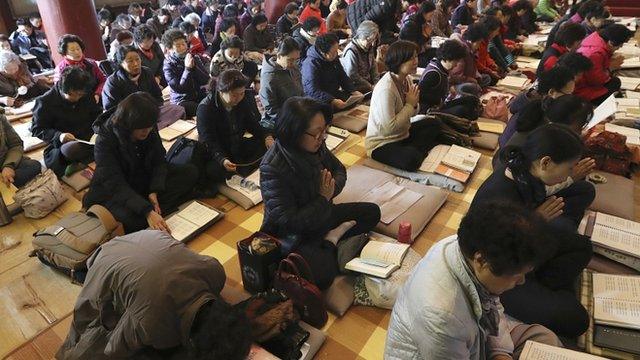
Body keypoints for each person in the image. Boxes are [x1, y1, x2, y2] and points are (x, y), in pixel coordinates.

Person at [385, 201, 562, 359]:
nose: (521, 281)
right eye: (516, 275)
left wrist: (500, 352)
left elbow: (491, 306)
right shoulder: (441, 317)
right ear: (481, 261)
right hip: (449, 346)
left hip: (474, 339)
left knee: (544, 338)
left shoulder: (465, 245)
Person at [472, 124, 595, 337]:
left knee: (582, 245)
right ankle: (542, 292)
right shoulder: (500, 194)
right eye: (569, 168)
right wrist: (534, 221)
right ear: (546, 162)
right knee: (577, 320)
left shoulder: (524, 172)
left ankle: (542, 289)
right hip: (499, 272)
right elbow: (491, 256)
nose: (571, 173)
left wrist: (533, 221)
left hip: (525, 250)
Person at [56, 230, 252, 360]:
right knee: (94, 337)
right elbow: (113, 348)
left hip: (146, 237)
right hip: (104, 260)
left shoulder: (215, 274)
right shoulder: (156, 328)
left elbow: (203, 262)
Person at [260, 96, 381, 289]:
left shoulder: (316, 145)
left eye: (324, 131)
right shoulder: (272, 167)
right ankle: (333, 241)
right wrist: (323, 198)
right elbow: (288, 221)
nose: (322, 137)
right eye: (317, 133)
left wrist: (329, 192)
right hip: (293, 233)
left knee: (373, 212)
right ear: (295, 132)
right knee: (321, 277)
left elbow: (339, 170)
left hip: (322, 212)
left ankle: (331, 240)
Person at [84, 92, 198, 234]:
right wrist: (146, 211)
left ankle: (154, 209)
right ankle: (153, 211)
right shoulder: (105, 139)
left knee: (190, 172)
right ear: (129, 123)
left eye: (150, 127)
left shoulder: (148, 126)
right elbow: (114, 183)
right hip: (117, 189)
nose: (148, 131)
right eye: (143, 128)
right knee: (130, 221)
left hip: (144, 180)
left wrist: (154, 189)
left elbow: (159, 160)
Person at [366, 40, 444, 171]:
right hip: (382, 142)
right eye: (411, 58)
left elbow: (412, 114)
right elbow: (389, 128)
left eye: (416, 57)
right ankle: (415, 151)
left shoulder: (406, 79)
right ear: (399, 61)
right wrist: (409, 104)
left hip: (403, 133)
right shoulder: (386, 89)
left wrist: (413, 105)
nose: (416, 61)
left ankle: (415, 150)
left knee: (434, 123)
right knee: (411, 160)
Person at [197, 70, 269, 184]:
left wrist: (266, 136)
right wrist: (222, 159)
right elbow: (208, 140)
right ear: (221, 91)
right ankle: (241, 170)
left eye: (242, 93)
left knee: (267, 143)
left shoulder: (242, 100)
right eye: (234, 95)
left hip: (237, 145)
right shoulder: (206, 108)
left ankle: (241, 170)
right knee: (213, 171)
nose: (239, 98)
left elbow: (253, 124)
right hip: (221, 151)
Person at [31, 66, 102, 177]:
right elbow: (37, 129)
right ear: (64, 89)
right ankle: (87, 159)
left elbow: (97, 115)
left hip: (89, 137)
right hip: (64, 143)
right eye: (75, 94)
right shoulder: (45, 102)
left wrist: (98, 130)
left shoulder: (85, 93)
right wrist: (59, 136)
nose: (78, 98)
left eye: (81, 94)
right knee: (71, 150)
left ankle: (83, 161)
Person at [494, 93, 593, 168]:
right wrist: (570, 179)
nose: (579, 132)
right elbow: (537, 177)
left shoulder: (543, 119)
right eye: (578, 128)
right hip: (509, 171)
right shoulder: (542, 136)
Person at [500, 65, 579, 147]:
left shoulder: (532, 95)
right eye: (568, 94)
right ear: (551, 92)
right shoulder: (538, 110)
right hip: (510, 153)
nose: (569, 98)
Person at [576, 24, 633, 105]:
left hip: (583, 86)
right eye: (620, 45)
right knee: (615, 82)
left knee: (614, 81)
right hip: (582, 92)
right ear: (611, 42)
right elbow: (596, 81)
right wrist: (610, 68)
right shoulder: (596, 54)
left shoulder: (594, 41)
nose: (620, 47)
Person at [419, 40, 476, 118]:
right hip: (431, 110)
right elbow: (420, 95)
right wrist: (439, 100)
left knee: (471, 99)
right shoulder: (433, 73)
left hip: (441, 104)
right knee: (461, 110)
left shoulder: (442, 68)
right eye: (456, 61)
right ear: (448, 57)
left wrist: (449, 92)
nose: (456, 65)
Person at [302, 33, 360, 110]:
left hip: (333, 92)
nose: (336, 54)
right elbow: (313, 90)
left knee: (352, 101)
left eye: (337, 51)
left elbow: (342, 75)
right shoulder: (310, 64)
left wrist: (353, 91)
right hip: (318, 99)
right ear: (323, 52)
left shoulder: (333, 57)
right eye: (333, 52)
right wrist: (332, 100)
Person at [162, 29, 210, 117]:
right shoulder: (168, 65)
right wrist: (187, 69)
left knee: (214, 102)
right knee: (203, 110)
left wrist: (194, 67)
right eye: (178, 45)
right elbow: (179, 89)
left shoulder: (193, 57)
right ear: (169, 49)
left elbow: (205, 80)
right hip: (182, 100)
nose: (183, 47)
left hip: (197, 94)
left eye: (183, 44)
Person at [259, 37, 303, 131]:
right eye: (290, 60)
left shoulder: (292, 68)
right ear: (279, 56)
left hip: (297, 111)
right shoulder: (269, 76)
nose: (294, 63)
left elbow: (301, 92)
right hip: (282, 119)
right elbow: (271, 108)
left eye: (296, 59)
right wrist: (292, 118)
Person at [54, 34, 107, 103]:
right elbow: (61, 92)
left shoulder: (91, 63)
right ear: (64, 53)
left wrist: (97, 94)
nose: (77, 52)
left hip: (96, 99)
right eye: (72, 50)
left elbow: (103, 80)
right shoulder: (61, 69)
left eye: (78, 49)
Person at [0, 114, 41, 187]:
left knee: (34, 165)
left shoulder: (1, 118)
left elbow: (16, 144)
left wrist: (8, 166)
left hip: (4, 161)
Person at [340, 20, 380, 93]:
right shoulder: (351, 51)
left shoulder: (368, 46)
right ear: (362, 36)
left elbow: (373, 67)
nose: (372, 43)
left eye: (373, 40)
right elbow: (352, 75)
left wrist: (376, 83)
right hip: (356, 86)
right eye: (369, 40)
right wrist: (370, 86)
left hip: (368, 83)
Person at [450, 22, 492, 89]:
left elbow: (485, 57)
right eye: (479, 42)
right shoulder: (461, 51)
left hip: (471, 75)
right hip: (458, 83)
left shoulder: (473, 46)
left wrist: (491, 67)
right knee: (473, 87)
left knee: (486, 78)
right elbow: (455, 76)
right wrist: (471, 80)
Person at [400, 1, 437, 67]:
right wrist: (425, 35)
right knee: (428, 63)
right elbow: (413, 45)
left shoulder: (423, 21)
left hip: (419, 51)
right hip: (408, 54)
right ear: (424, 13)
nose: (432, 17)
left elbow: (422, 43)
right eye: (431, 15)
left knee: (437, 51)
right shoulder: (412, 24)